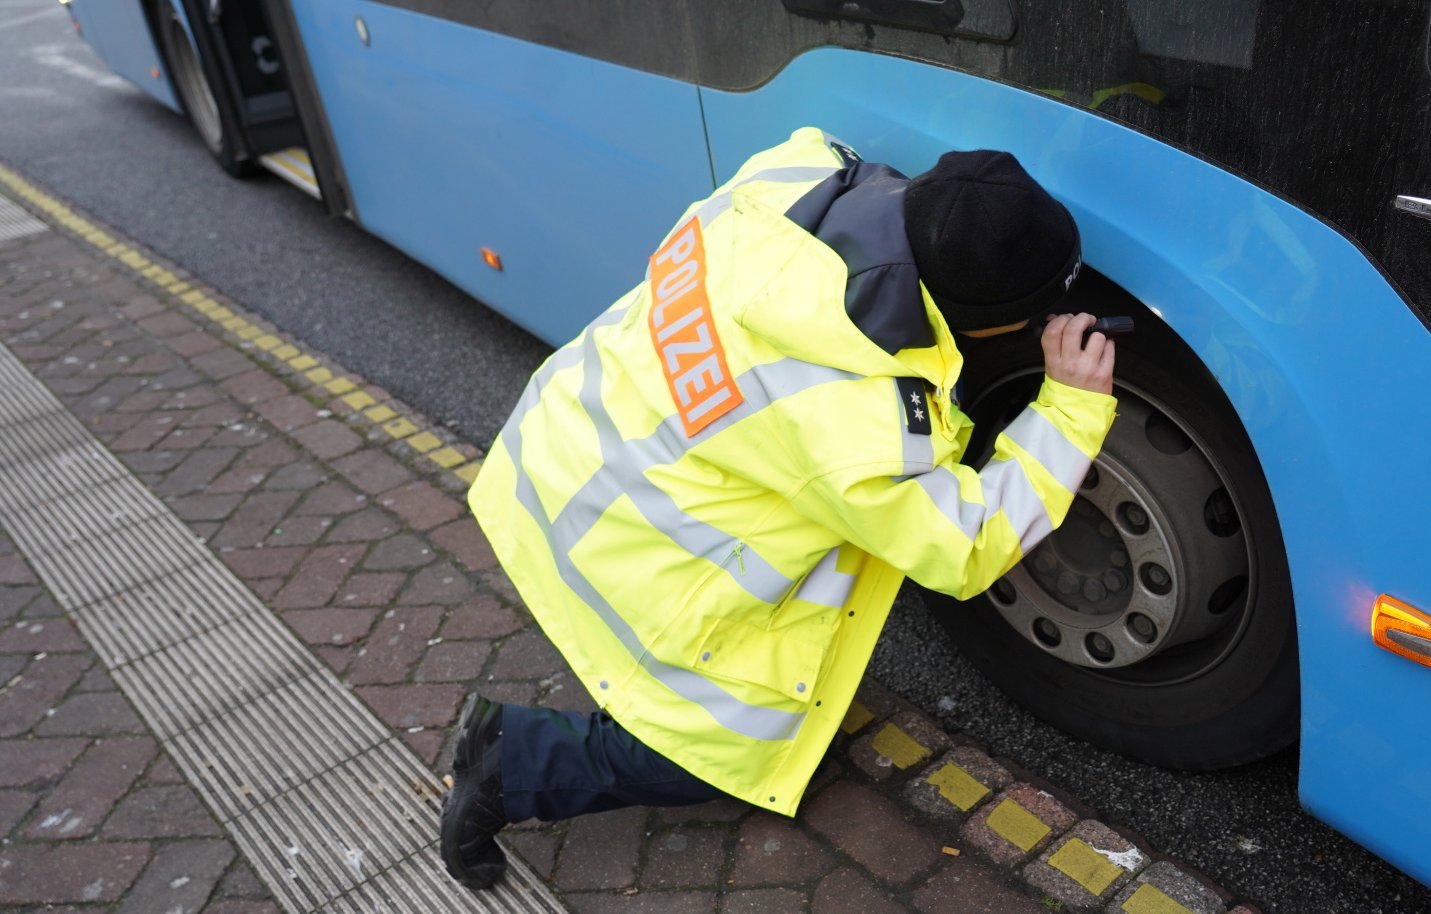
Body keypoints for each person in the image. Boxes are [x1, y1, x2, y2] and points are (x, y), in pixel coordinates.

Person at [441, 127, 1118, 889]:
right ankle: (512, 760)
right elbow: (963, 545)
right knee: (708, 755)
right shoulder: (851, 412)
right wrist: (1069, 412)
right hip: (626, 537)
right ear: (980, 318)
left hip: (572, 439)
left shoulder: (798, 174)